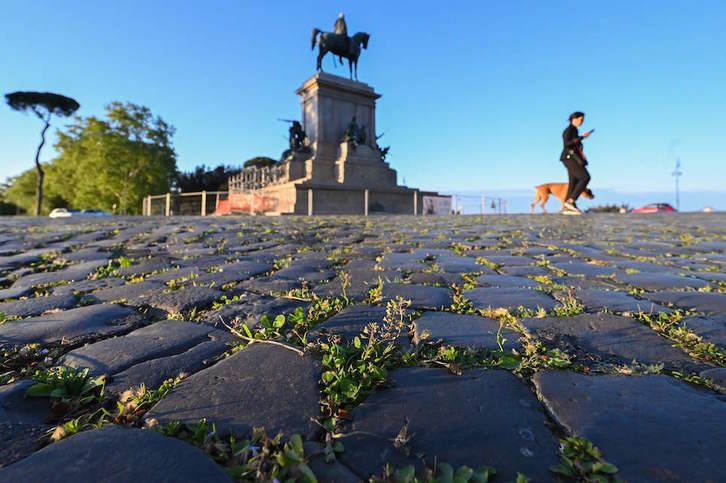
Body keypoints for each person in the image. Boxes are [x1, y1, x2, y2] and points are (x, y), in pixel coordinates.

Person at [560, 111, 593, 214]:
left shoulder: (574, 130)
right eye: (581, 120)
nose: (582, 122)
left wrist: (581, 138)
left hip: (571, 159)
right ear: (574, 119)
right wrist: (581, 137)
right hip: (569, 158)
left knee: (573, 182)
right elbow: (567, 144)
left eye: (583, 120)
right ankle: (571, 201)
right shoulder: (569, 130)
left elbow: (574, 143)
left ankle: (567, 206)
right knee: (585, 177)